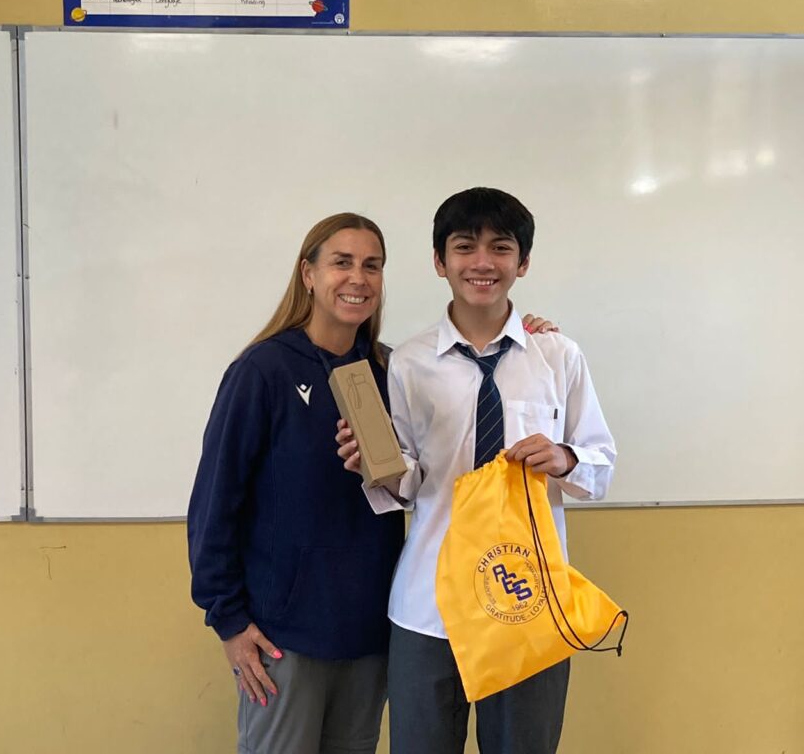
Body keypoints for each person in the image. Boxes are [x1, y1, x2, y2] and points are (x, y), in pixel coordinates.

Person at [188, 211, 558, 754]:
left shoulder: (393, 370)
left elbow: (416, 480)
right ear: (308, 273)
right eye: (342, 263)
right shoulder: (263, 371)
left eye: (372, 266)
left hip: (370, 632)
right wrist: (228, 619)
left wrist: (523, 337)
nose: (358, 279)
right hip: (283, 635)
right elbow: (216, 502)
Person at [336, 188, 616, 754]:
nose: (482, 262)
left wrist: (564, 457)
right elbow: (409, 482)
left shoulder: (557, 355)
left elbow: (600, 462)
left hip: (527, 601)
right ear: (440, 262)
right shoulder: (408, 363)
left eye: (501, 248)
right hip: (429, 606)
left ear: (523, 262)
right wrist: (377, 467)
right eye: (464, 247)